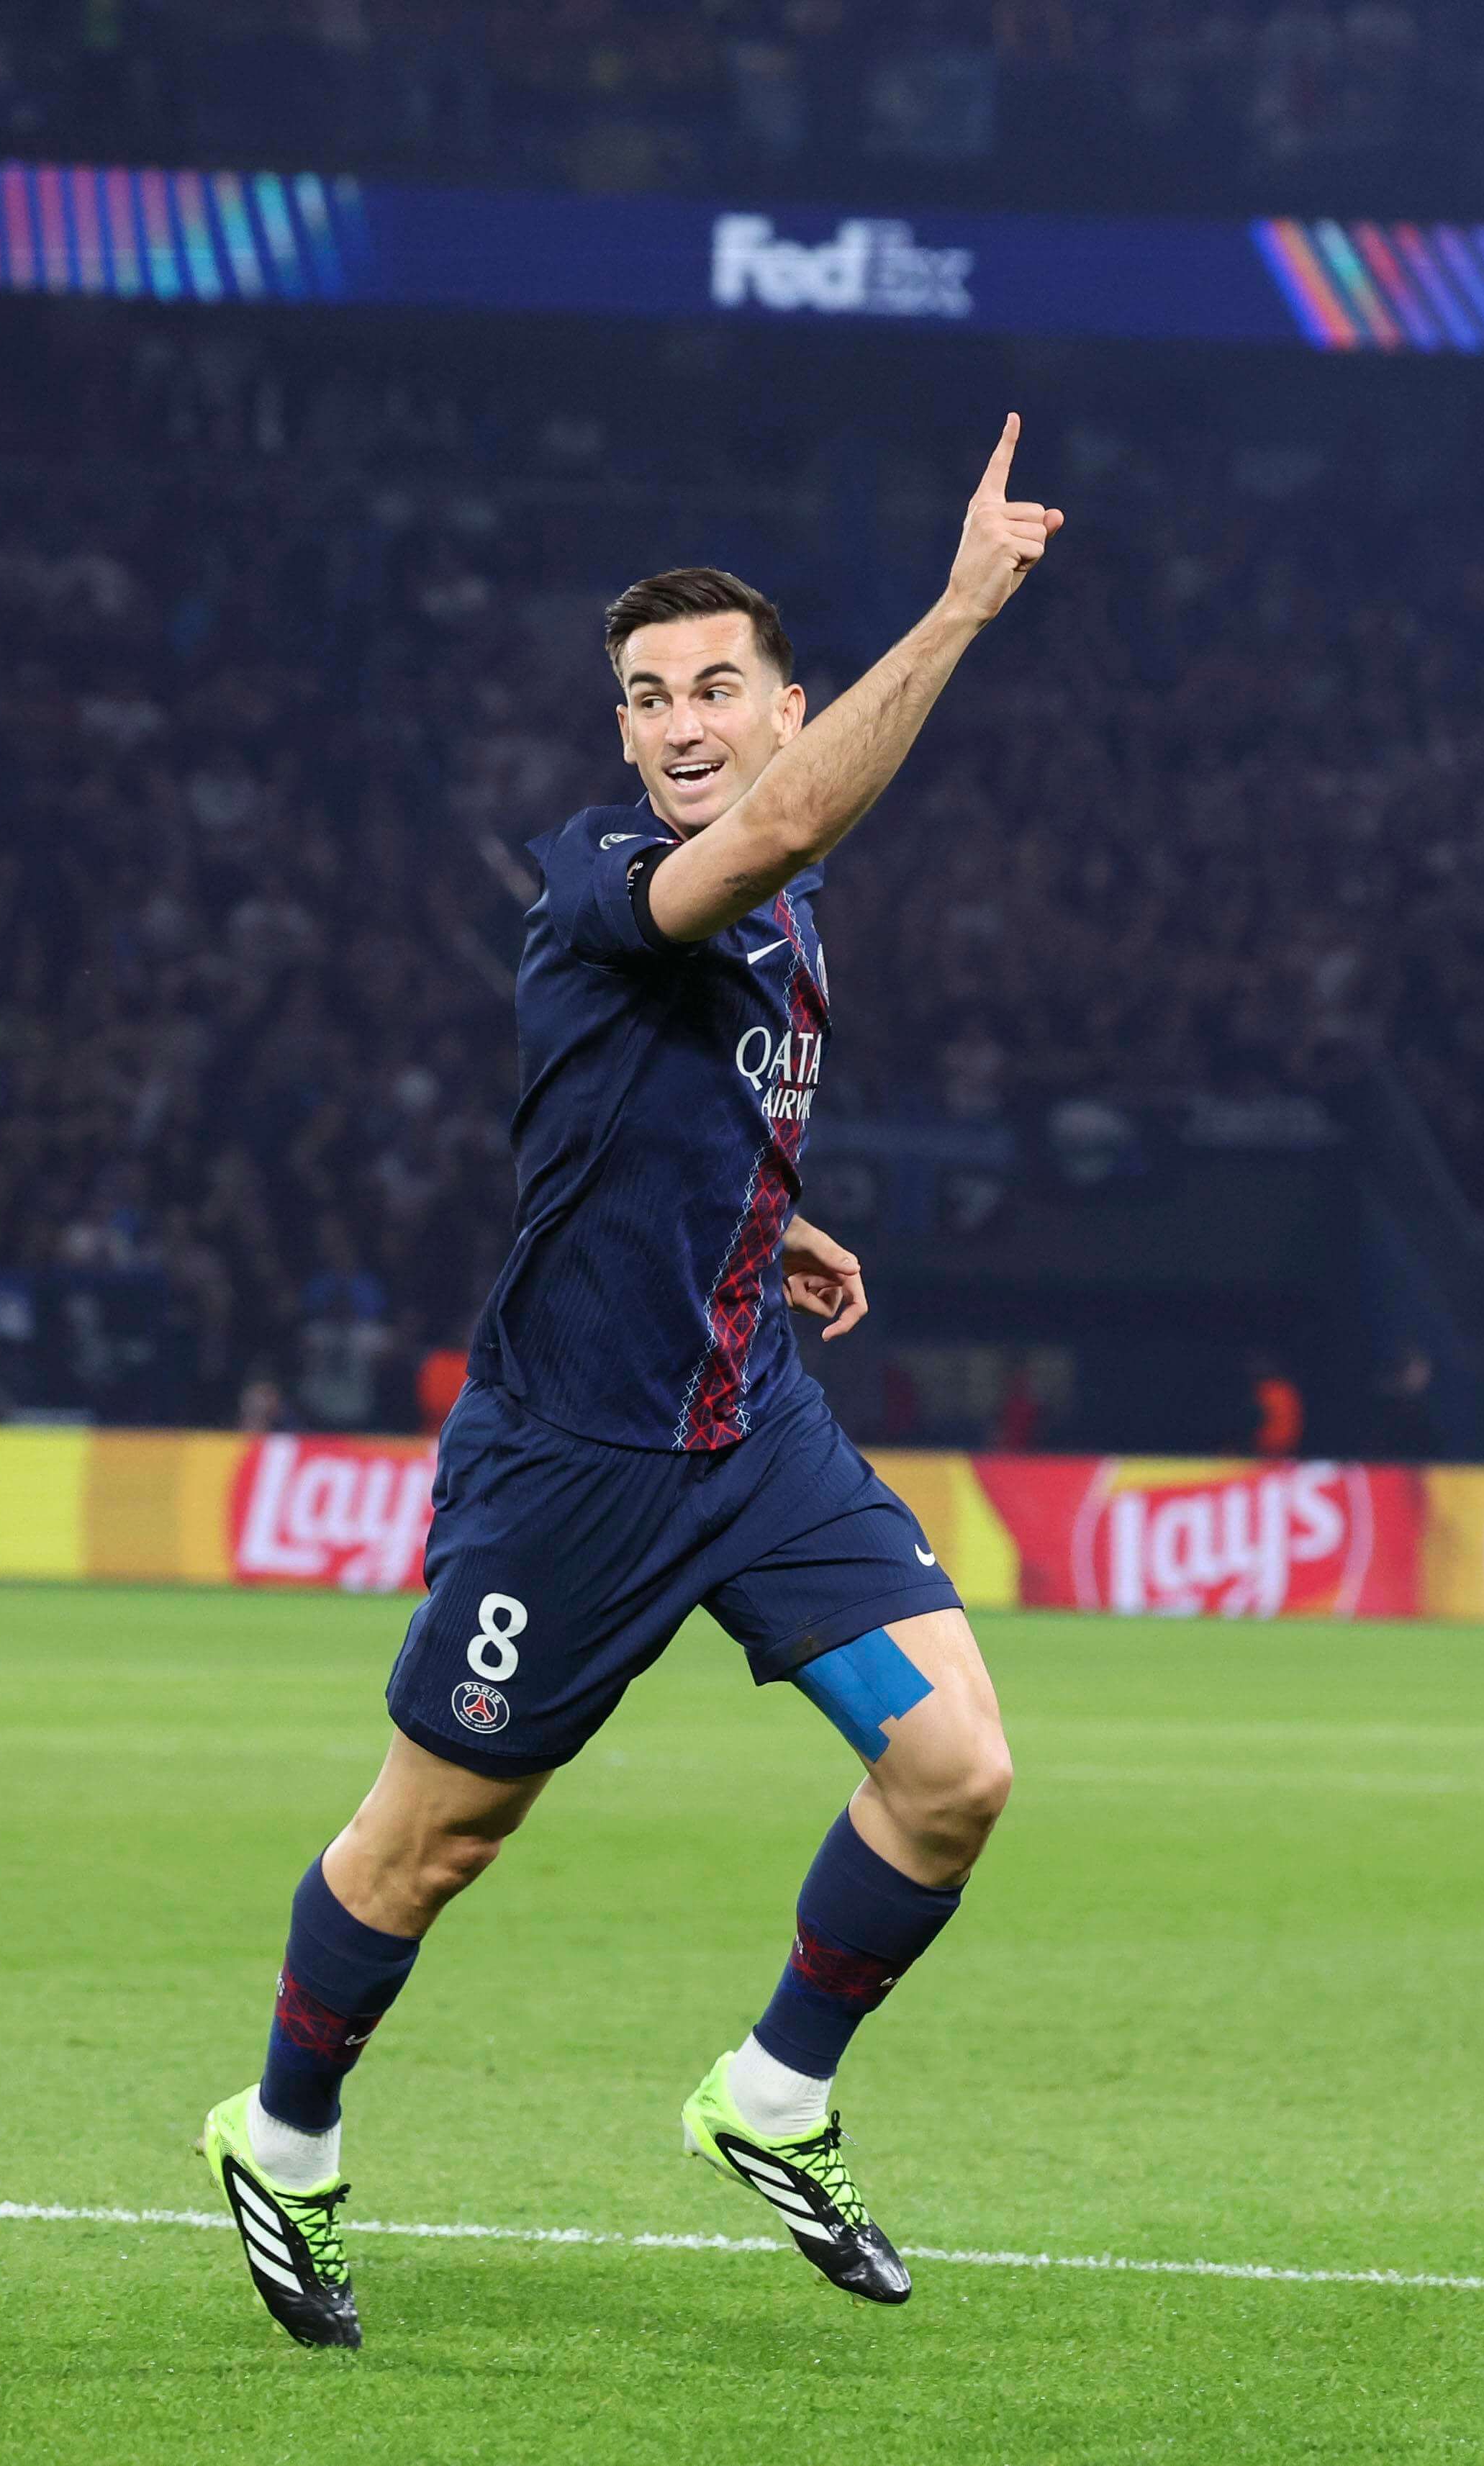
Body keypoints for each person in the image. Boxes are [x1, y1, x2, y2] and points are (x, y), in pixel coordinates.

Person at [199, 423, 1060, 2350]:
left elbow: (696, 1086)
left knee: (954, 1769)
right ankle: (282, 2133)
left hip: (753, 1431)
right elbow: (777, 834)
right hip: (572, 1466)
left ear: (782, 703)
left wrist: (780, 1217)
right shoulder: (606, 873)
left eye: (712, 688)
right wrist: (963, 607)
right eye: (646, 697)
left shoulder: (786, 918)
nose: (675, 723)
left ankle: (771, 2093)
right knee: (434, 1842)